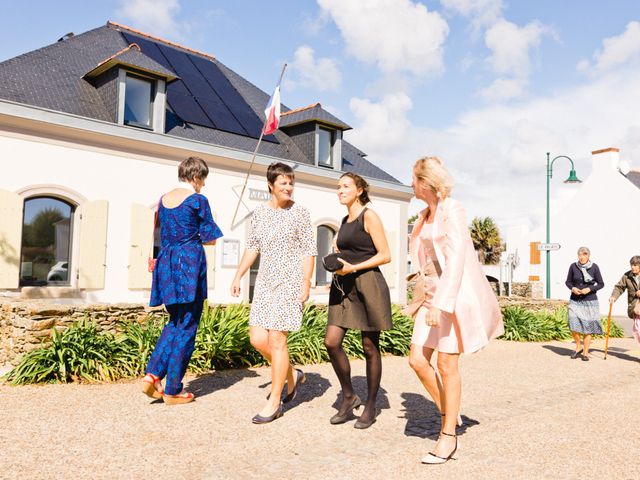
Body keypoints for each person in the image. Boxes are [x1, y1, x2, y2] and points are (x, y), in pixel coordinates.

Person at [406, 156, 503, 464]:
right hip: (430, 295)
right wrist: (422, 298)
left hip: (452, 296)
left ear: (425, 182)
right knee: (417, 361)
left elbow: (458, 258)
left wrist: (441, 304)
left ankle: (448, 437)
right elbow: (424, 260)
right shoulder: (423, 214)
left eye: (413, 179)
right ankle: (451, 412)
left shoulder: (453, 209)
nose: (410, 184)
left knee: (447, 366)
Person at [231, 162, 317, 424]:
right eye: (283, 183)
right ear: (271, 185)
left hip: (290, 283)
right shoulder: (259, 214)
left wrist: (306, 281)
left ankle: (275, 400)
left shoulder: (300, 213)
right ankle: (293, 372)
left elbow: (309, 249)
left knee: (278, 339)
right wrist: (238, 275)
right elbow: (252, 248)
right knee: (258, 338)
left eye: (291, 183)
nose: (289, 187)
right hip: (266, 283)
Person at [142, 156, 223, 405]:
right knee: (187, 326)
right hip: (188, 264)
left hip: (166, 264)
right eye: (203, 180)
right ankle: (173, 389)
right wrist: (194, 237)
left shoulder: (162, 201)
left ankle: (152, 374)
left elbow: (159, 235)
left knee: (175, 321)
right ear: (196, 177)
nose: (203, 186)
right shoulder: (197, 200)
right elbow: (210, 237)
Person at [324, 173, 393, 429]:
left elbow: (385, 255)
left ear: (360, 190)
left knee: (369, 347)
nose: (340, 190)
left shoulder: (369, 215)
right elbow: (348, 251)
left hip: (368, 285)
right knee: (331, 342)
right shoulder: (344, 220)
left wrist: (354, 267)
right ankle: (350, 396)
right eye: (338, 187)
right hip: (344, 287)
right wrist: (337, 256)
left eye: (345, 186)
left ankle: (372, 405)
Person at [564, 247, 605, 361]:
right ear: (578, 255)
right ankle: (578, 346)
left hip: (590, 301)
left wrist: (590, 289)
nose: (582, 257)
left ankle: (585, 352)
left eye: (584, 255)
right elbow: (568, 282)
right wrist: (572, 288)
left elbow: (601, 284)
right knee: (572, 322)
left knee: (588, 327)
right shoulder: (573, 266)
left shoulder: (594, 267)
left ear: (588, 256)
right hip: (575, 300)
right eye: (580, 255)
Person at [609, 255, 640, 344]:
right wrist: (613, 297)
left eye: (635, 265)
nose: (632, 267)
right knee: (638, 332)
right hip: (636, 308)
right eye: (631, 265)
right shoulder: (627, 276)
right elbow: (619, 287)